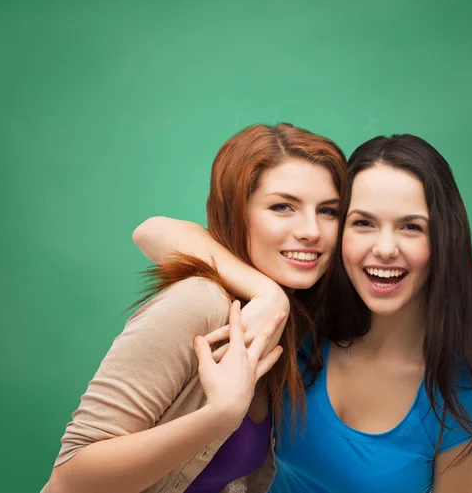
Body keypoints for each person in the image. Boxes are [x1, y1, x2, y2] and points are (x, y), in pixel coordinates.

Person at [133, 134, 472, 493]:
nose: (385, 248)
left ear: (446, 238)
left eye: (411, 227)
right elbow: (152, 232)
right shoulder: (305, 317)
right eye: (363, 223)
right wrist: (269, 294)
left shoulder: (461, 394)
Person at [41, 123, 347, 493]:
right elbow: (70, 478)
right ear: (237, 213)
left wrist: (273, 298)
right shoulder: (199, 304)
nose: (311, 230)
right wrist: (218, 417)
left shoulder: (298, 328)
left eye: (329, 211)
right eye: (282, 206)